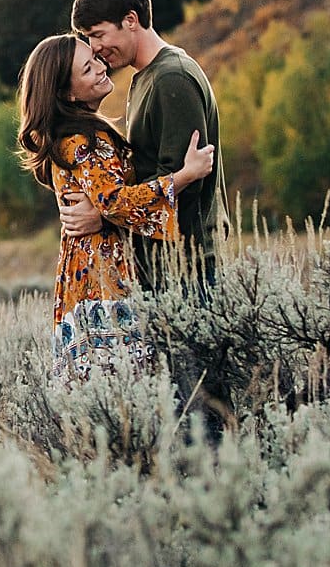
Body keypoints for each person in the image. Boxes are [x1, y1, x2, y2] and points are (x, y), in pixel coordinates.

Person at [17, 33, 215, 380]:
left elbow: (102, 203)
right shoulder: (86, 140)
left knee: (101, 379)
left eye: (96, 59)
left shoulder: (68, 136)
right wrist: (184, 176)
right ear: (68, 93)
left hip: (85, 266)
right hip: (103, 270)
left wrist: (100, 214)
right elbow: (115, 202)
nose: (100, 66)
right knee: (123, 377)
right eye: (87, 67)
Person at [71, 0, 226, 290]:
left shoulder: (172, 79)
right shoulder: (147, 78)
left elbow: (183, 185)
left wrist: (105, 217)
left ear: (130, 20)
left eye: (98, 34)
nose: (94, 47)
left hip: (187, 270)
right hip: (166, 267)